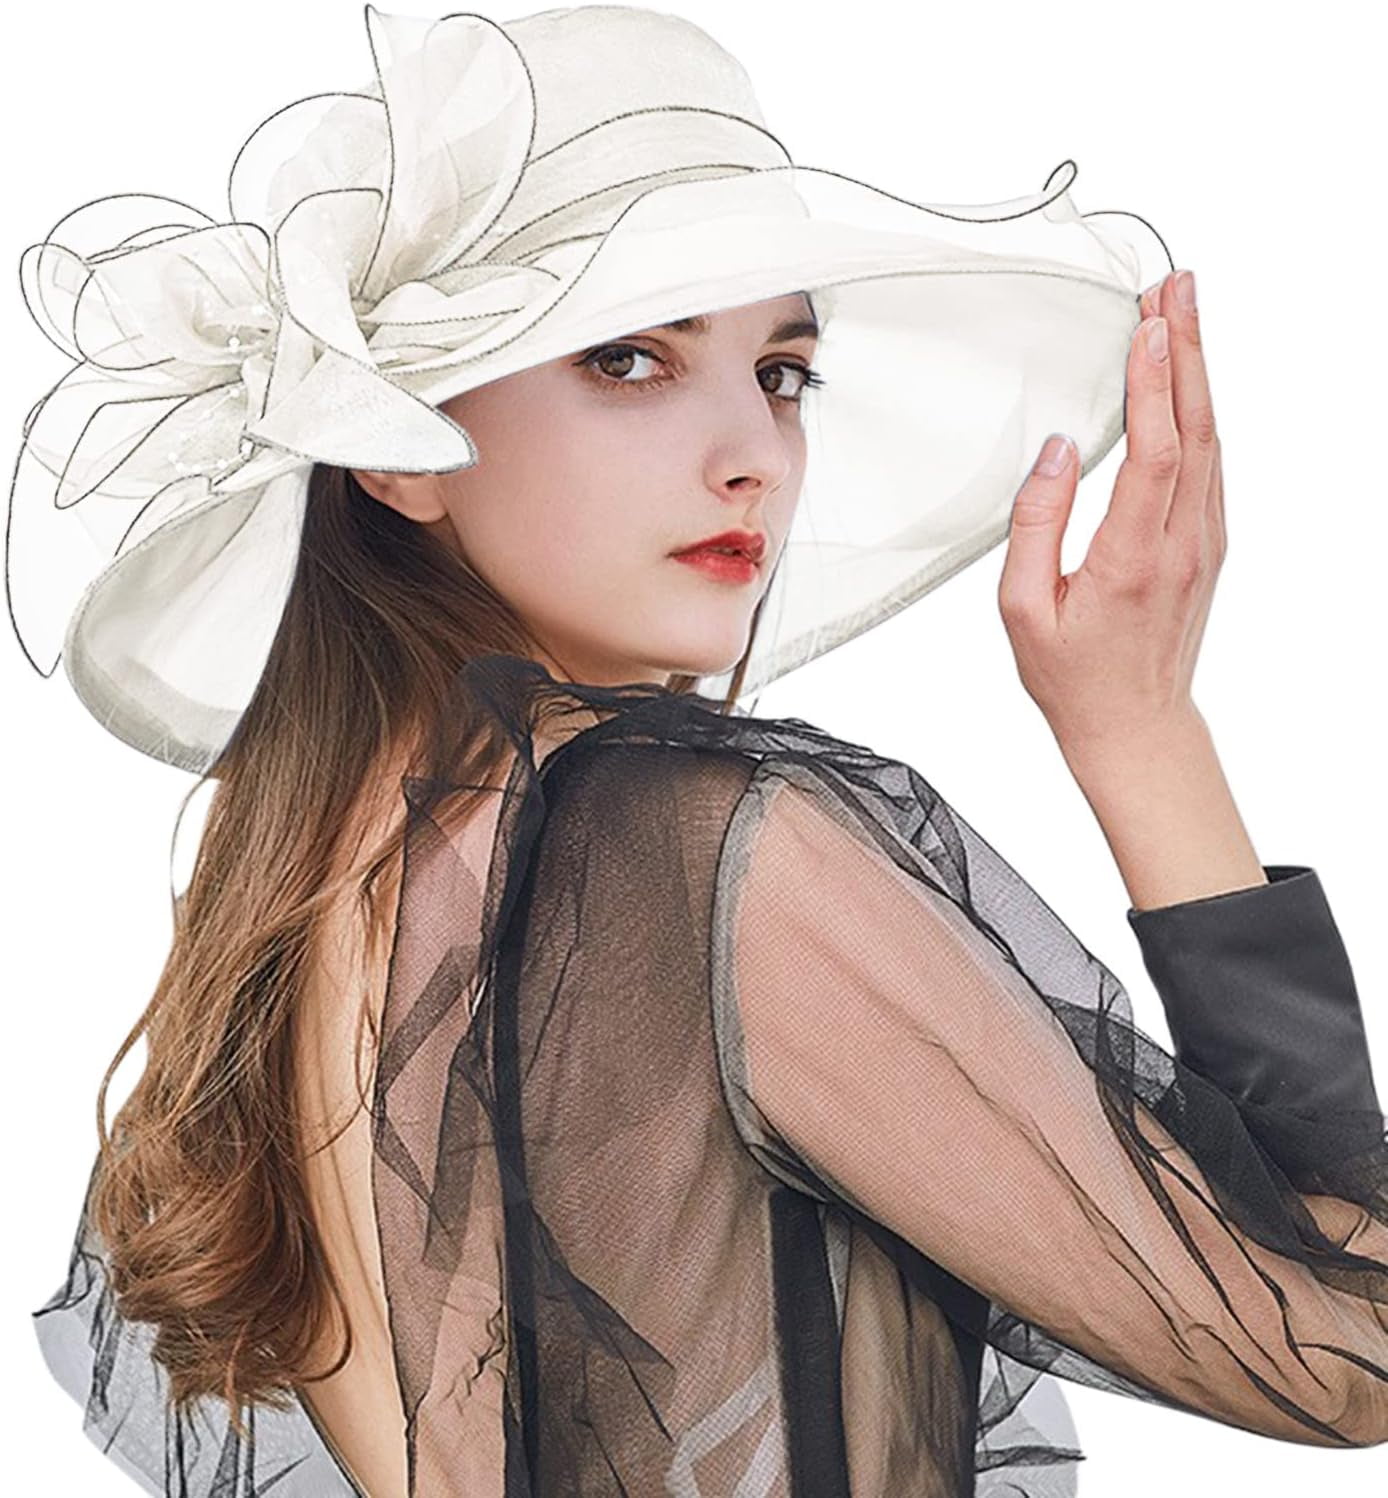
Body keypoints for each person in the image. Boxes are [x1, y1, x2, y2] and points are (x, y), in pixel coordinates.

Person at [11, 6, 1386, 1496]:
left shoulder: (307, 897)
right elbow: (1343, 1348)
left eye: (783, 372)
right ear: (395, 451)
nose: (753, 456)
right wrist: (1142, 731)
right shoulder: (687, 844)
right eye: (628, 361)